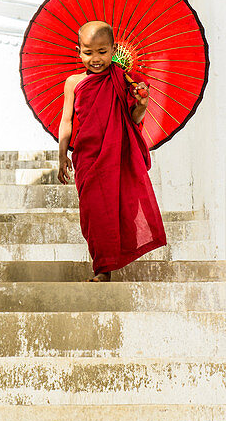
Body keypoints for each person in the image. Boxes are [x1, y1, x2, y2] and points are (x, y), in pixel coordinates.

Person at [57, 20, 167, 281]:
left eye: (102, 52)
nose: (95, 59)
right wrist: (62, 155)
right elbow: (66, 120)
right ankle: (102, 261)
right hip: (87, 156)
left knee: (119, 207)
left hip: (117, 155)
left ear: (113, 48)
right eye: (88, 52)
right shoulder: (73, 82)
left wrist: (142, 103)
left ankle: (104, 268)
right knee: (93, 211)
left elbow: (135, 118)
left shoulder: (123, 79)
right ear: (78, 51)